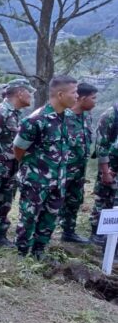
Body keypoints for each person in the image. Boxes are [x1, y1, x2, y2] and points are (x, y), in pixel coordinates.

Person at [13, 75, 78, 259]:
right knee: (29, 217)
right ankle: (22, 253)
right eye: (74, 92)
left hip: (58, 180)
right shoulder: (36, 120)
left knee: (50, 217)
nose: (77, 96)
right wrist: (32, 169)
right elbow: (18, 149)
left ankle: (39, 251)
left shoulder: (68, 118)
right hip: (36, 180)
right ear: (60, 94)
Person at [0, 78, 34, 248]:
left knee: (4, 201)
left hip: (10, 167)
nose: (30, 96)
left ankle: (0, 235)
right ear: (20, 92)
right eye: (29, 92)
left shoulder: (15, 113)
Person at [57, 83, 98, 244]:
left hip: (79, 169)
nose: (95, 102)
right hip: (63, 169)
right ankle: (42, 236)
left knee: (74, 200)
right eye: (93, 98)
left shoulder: (87, 117)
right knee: (55, 202)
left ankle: (68, 231)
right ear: (82, 98)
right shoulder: (63, 117)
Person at [88, 100, 118, 245]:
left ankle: (112, 235)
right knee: (103, 198)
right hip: (109, 165)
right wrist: (106, 171)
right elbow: (101, 146)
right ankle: (97, 233)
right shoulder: (110, 115)